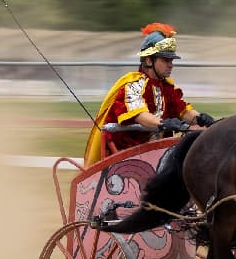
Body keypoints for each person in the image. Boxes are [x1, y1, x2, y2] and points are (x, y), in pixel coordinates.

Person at [83, 23, 214, 166]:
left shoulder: (166, 87)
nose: (171, 65)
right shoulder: (133, 84)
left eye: (171, 60)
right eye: (165, 60)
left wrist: (201, 119)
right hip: (126, 158)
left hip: (156, 156)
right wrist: (165, 123)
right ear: (148, 60)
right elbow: (140, 115)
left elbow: (182, 110)